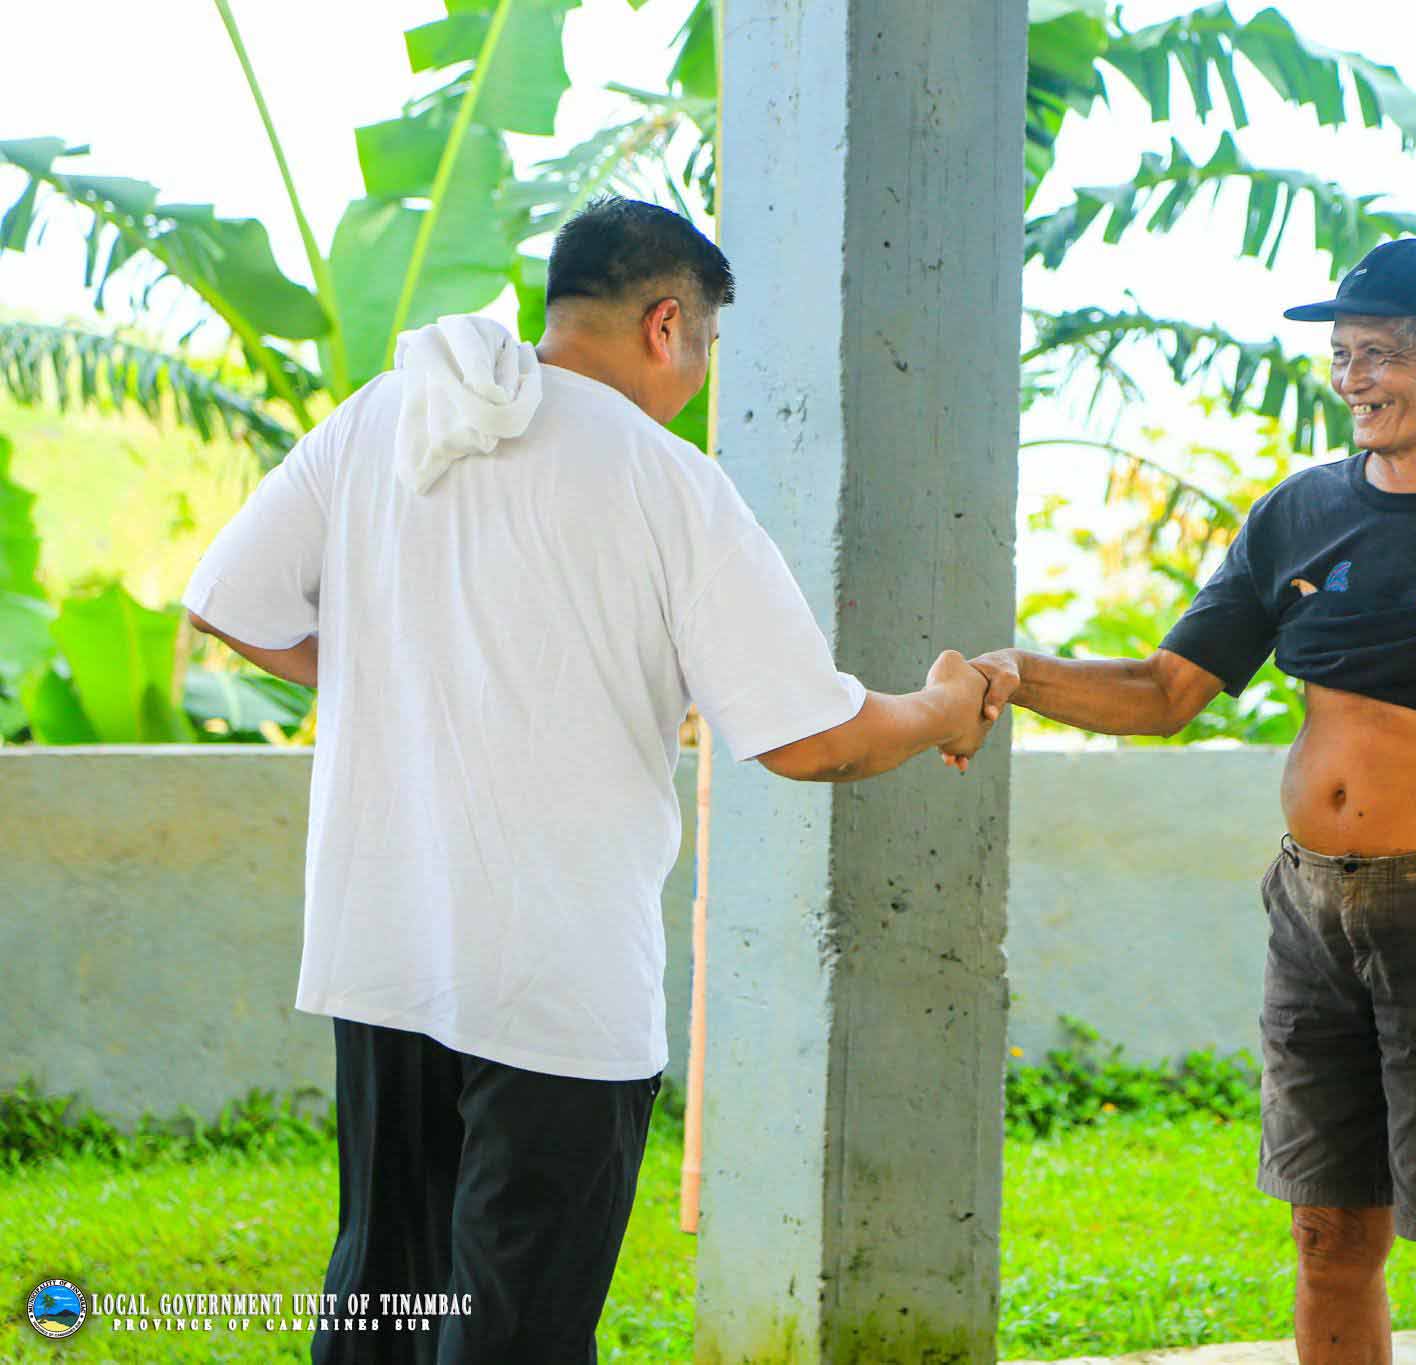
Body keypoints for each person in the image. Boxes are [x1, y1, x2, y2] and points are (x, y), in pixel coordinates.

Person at [182, 196, 994, 1364]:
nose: (699, 377)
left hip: (386, 949)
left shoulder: (387, 415)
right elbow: (809, 738)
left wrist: (394, 680)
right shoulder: (667, 482)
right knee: (516, 1321)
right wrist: (937, 709)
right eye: (705, 344)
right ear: (666, 324)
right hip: (558, 984)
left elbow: (229, 603)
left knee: (385, 1291)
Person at [973, 238, 1416, 1365]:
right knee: (1329, 1234)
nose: (1352, 380)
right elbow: (1164, 693)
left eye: (1378, 354)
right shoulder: (1296, 515)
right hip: (1310, 912)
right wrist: (1015, 674)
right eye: (1341, 356)